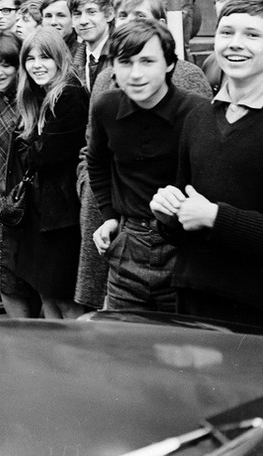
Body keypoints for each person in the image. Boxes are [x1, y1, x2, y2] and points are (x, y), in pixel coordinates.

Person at [150, 0, 263, 328]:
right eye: (226, 32)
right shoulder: (199, 116)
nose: (235, 44)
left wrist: (216, 217)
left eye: (252, 35)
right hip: (193, 294)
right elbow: (184, 208)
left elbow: (206, 215)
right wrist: (167, 216)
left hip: (256, 307)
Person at [87, 20, 208, 312]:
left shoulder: (197, 112)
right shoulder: (105, 107)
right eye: (126, 62)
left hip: (183, 248)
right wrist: (110, 216)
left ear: (169, 64)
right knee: (121, 346)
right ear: (113, 66)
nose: (136, 74)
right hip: (128, 244)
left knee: (178, 347)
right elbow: (97, 163)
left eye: (147, 61)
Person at [10, 28, 88, 318]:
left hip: (62, 215)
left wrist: (31, 148)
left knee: (64, 298)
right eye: (30, 58)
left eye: (44, 57)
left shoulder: (70, 94)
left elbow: (45, 155)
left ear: (59, 59)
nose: (37, 65)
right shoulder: (38, 97)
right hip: (41, 211)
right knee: (47, 296)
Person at [0, 34, 39, 317]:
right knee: (0, 274)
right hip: (0, 197)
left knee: (31, 277)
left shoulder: (32, 96)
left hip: (31, 197)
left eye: (6, 65)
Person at [67, 0, 114, 93]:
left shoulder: (121, 55)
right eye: (77, 14)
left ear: (109, 15)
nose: (83, 21)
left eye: (91, 12)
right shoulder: (73, 61)